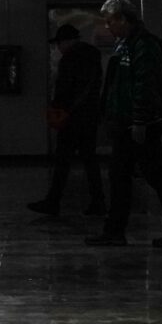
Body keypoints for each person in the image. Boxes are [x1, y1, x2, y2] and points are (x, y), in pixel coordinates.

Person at [85, 0, 162, 248]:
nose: (108, 27)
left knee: (154, 175)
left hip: (140, 125)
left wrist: (140, 122)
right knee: (121, 176)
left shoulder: (144, 46)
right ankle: (115, 230)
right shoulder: (127, 45)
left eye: (111, 21)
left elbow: (145, 85)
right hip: (128, 124)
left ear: (124, 19)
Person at [28, 24, 106, 217]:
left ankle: (53, 202)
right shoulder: (94, 56)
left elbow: (64, 88)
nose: (58, 48)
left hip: (71, 117)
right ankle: (98, 202)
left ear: (66, 41)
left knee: (62, 160)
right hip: (89, 116)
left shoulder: (69, 59)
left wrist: (57, 107)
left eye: (58, 44)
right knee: (89, 159)